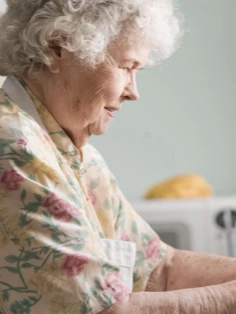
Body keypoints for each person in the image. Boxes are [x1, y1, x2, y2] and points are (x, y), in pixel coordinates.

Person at [0, 1, 236, 313]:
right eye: (126, 67)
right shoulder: (15, 146)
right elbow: (105, 312)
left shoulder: (75, 152)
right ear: (57, 47)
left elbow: (158, 270)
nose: (133, 92)